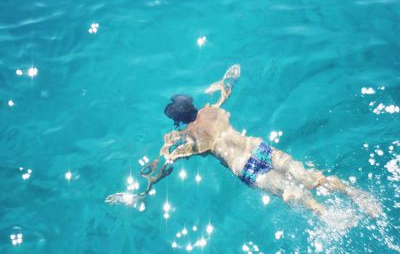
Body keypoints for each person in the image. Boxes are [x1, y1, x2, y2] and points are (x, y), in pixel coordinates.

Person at [106, 65, 382, 220]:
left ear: (177, 121)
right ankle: (354, 194)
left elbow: (162, 166)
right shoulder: (211, 109)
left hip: (245, 168)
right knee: (310, 177)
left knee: (292, 194)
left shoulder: (181, 138)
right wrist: (230, 77)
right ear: (192, 105)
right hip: (259, 147)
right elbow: (225, 90)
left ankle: (327, 215)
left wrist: (140, 192)